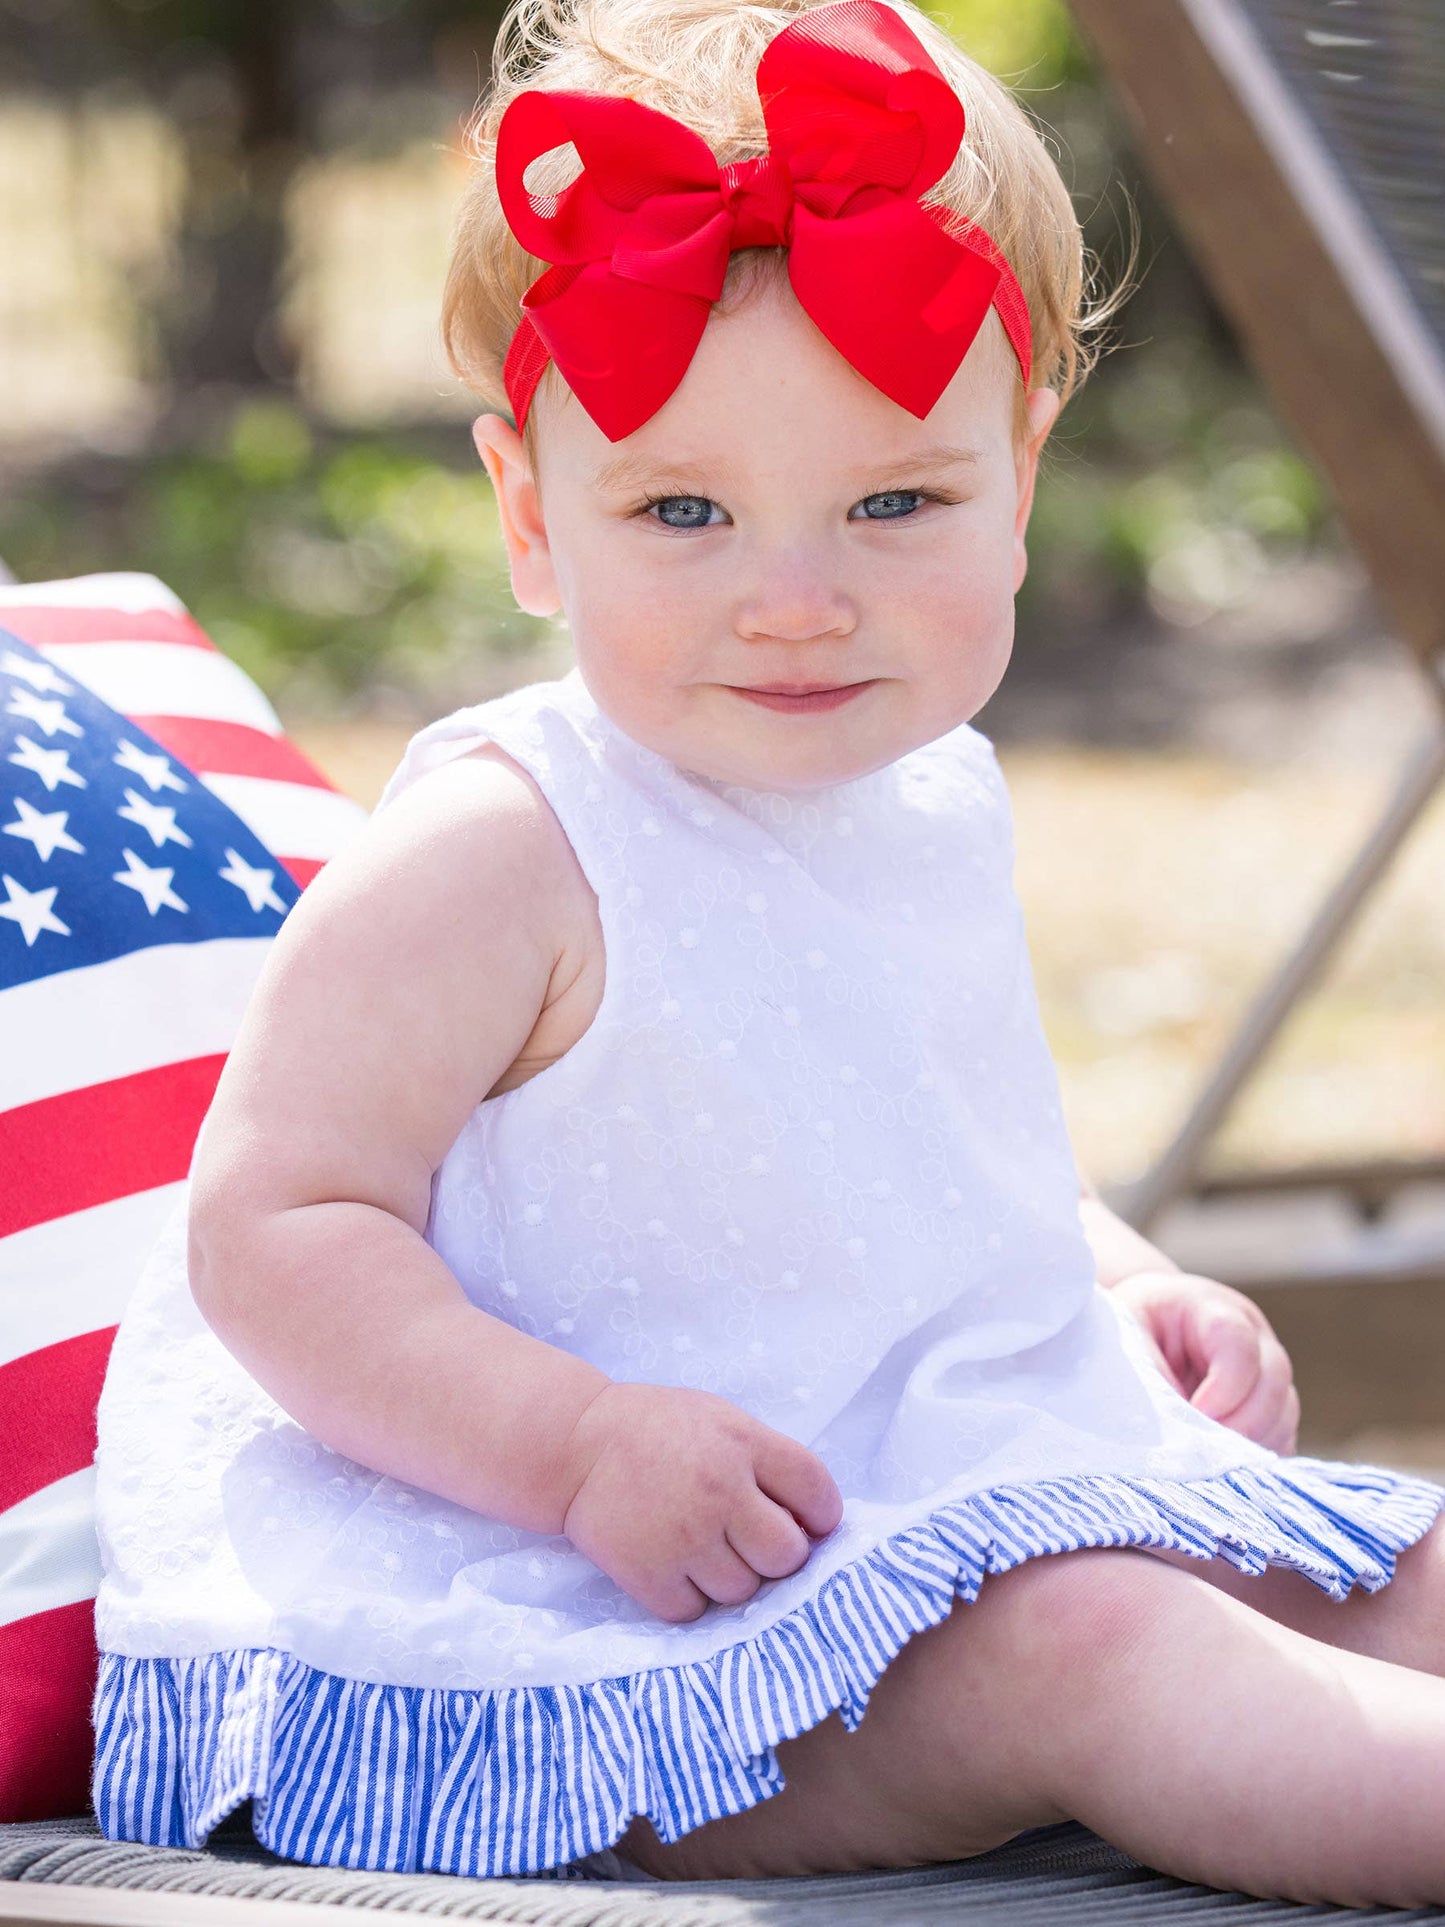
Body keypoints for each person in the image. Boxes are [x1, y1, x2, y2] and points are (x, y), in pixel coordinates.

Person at [90, 0, 1445, 1904]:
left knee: (1381, 1565)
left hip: (905, 1493)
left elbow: (909, 1138)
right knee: (1095, 1649)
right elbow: (274, 1232)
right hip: (586, 1612)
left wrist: (1121, 1277)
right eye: (682, 513)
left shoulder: (923, 793)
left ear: (1023, 473)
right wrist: (573, 1451)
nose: (797, 602)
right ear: (526, 513)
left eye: (895, 503)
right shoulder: (503, 851)